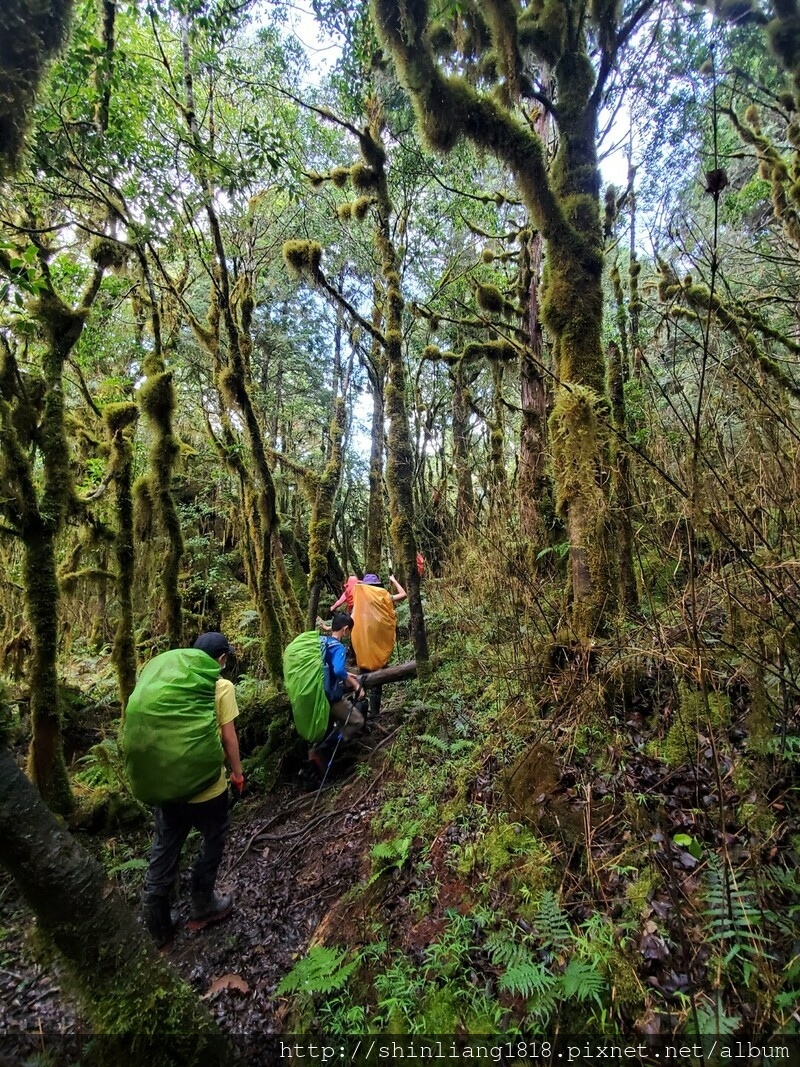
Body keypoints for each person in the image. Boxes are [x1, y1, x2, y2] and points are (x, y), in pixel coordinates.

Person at [140, 631, 244, 948]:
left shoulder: (171, 686)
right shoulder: (221, 686)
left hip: (167, 788)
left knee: (165, 845)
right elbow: (228, 739)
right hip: (207, 788)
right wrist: (237, 774)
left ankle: (157, 922)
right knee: (214, 839)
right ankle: (203, 903)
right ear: (222, 660)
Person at [308, 612, 366, 775]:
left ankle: (318, 758)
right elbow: (338, 669)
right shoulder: (338, 647)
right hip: (331, 699)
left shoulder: (321, 642)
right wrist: (357, 686)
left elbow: (332, 668)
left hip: (317, 697)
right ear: (346, 629)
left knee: (330, 727)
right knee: (356, 721)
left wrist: (348, 675)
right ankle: (324, 750)